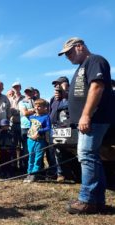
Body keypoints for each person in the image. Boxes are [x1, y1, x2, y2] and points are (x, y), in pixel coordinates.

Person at [58, 37, 113, 214]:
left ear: (80, 46)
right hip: (87, 120)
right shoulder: (82, 67)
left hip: (95, 119)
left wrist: (86, 115)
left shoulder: (95, 60)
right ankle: (97, 201)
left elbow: (97, 87)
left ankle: (87, 200)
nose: (67, 56)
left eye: (69, 52)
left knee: (87, 155)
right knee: (91, 156)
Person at [23, 98, 51, 183]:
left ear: (44, 108)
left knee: (38, 158)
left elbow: (48, 127)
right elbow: (26, 115)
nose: (37, 107)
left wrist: (39, 131)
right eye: (36, 106)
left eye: (39, 106)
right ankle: (29, 173)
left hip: (40, 140)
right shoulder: (32, 117)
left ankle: (34, 174)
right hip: (30, 139)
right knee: (31, 156)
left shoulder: (46, 117)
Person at [18, 87, 36, 172]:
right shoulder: (22, 102)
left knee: (36, 149)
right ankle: (26, 168)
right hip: (25, 127)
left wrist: (31, 110)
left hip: (36, 127)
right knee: (26, 149)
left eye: (30, 92)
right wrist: (35, 110)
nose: (28, 94)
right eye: (26, 92)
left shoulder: (37, 101)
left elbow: (43, 111)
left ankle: (36, 169)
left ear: (33, 93)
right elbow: (25, 113)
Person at [9, 82, 25, 171]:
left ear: (20, 87)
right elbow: (9, 111)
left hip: (23, 124)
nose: (16, 88)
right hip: (13, 124)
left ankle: (22, 165)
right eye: (14, 87)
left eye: (17, 87)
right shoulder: (10, 99)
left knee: (22, 146)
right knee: (13, 145)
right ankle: (13, 165)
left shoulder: (24, 98)